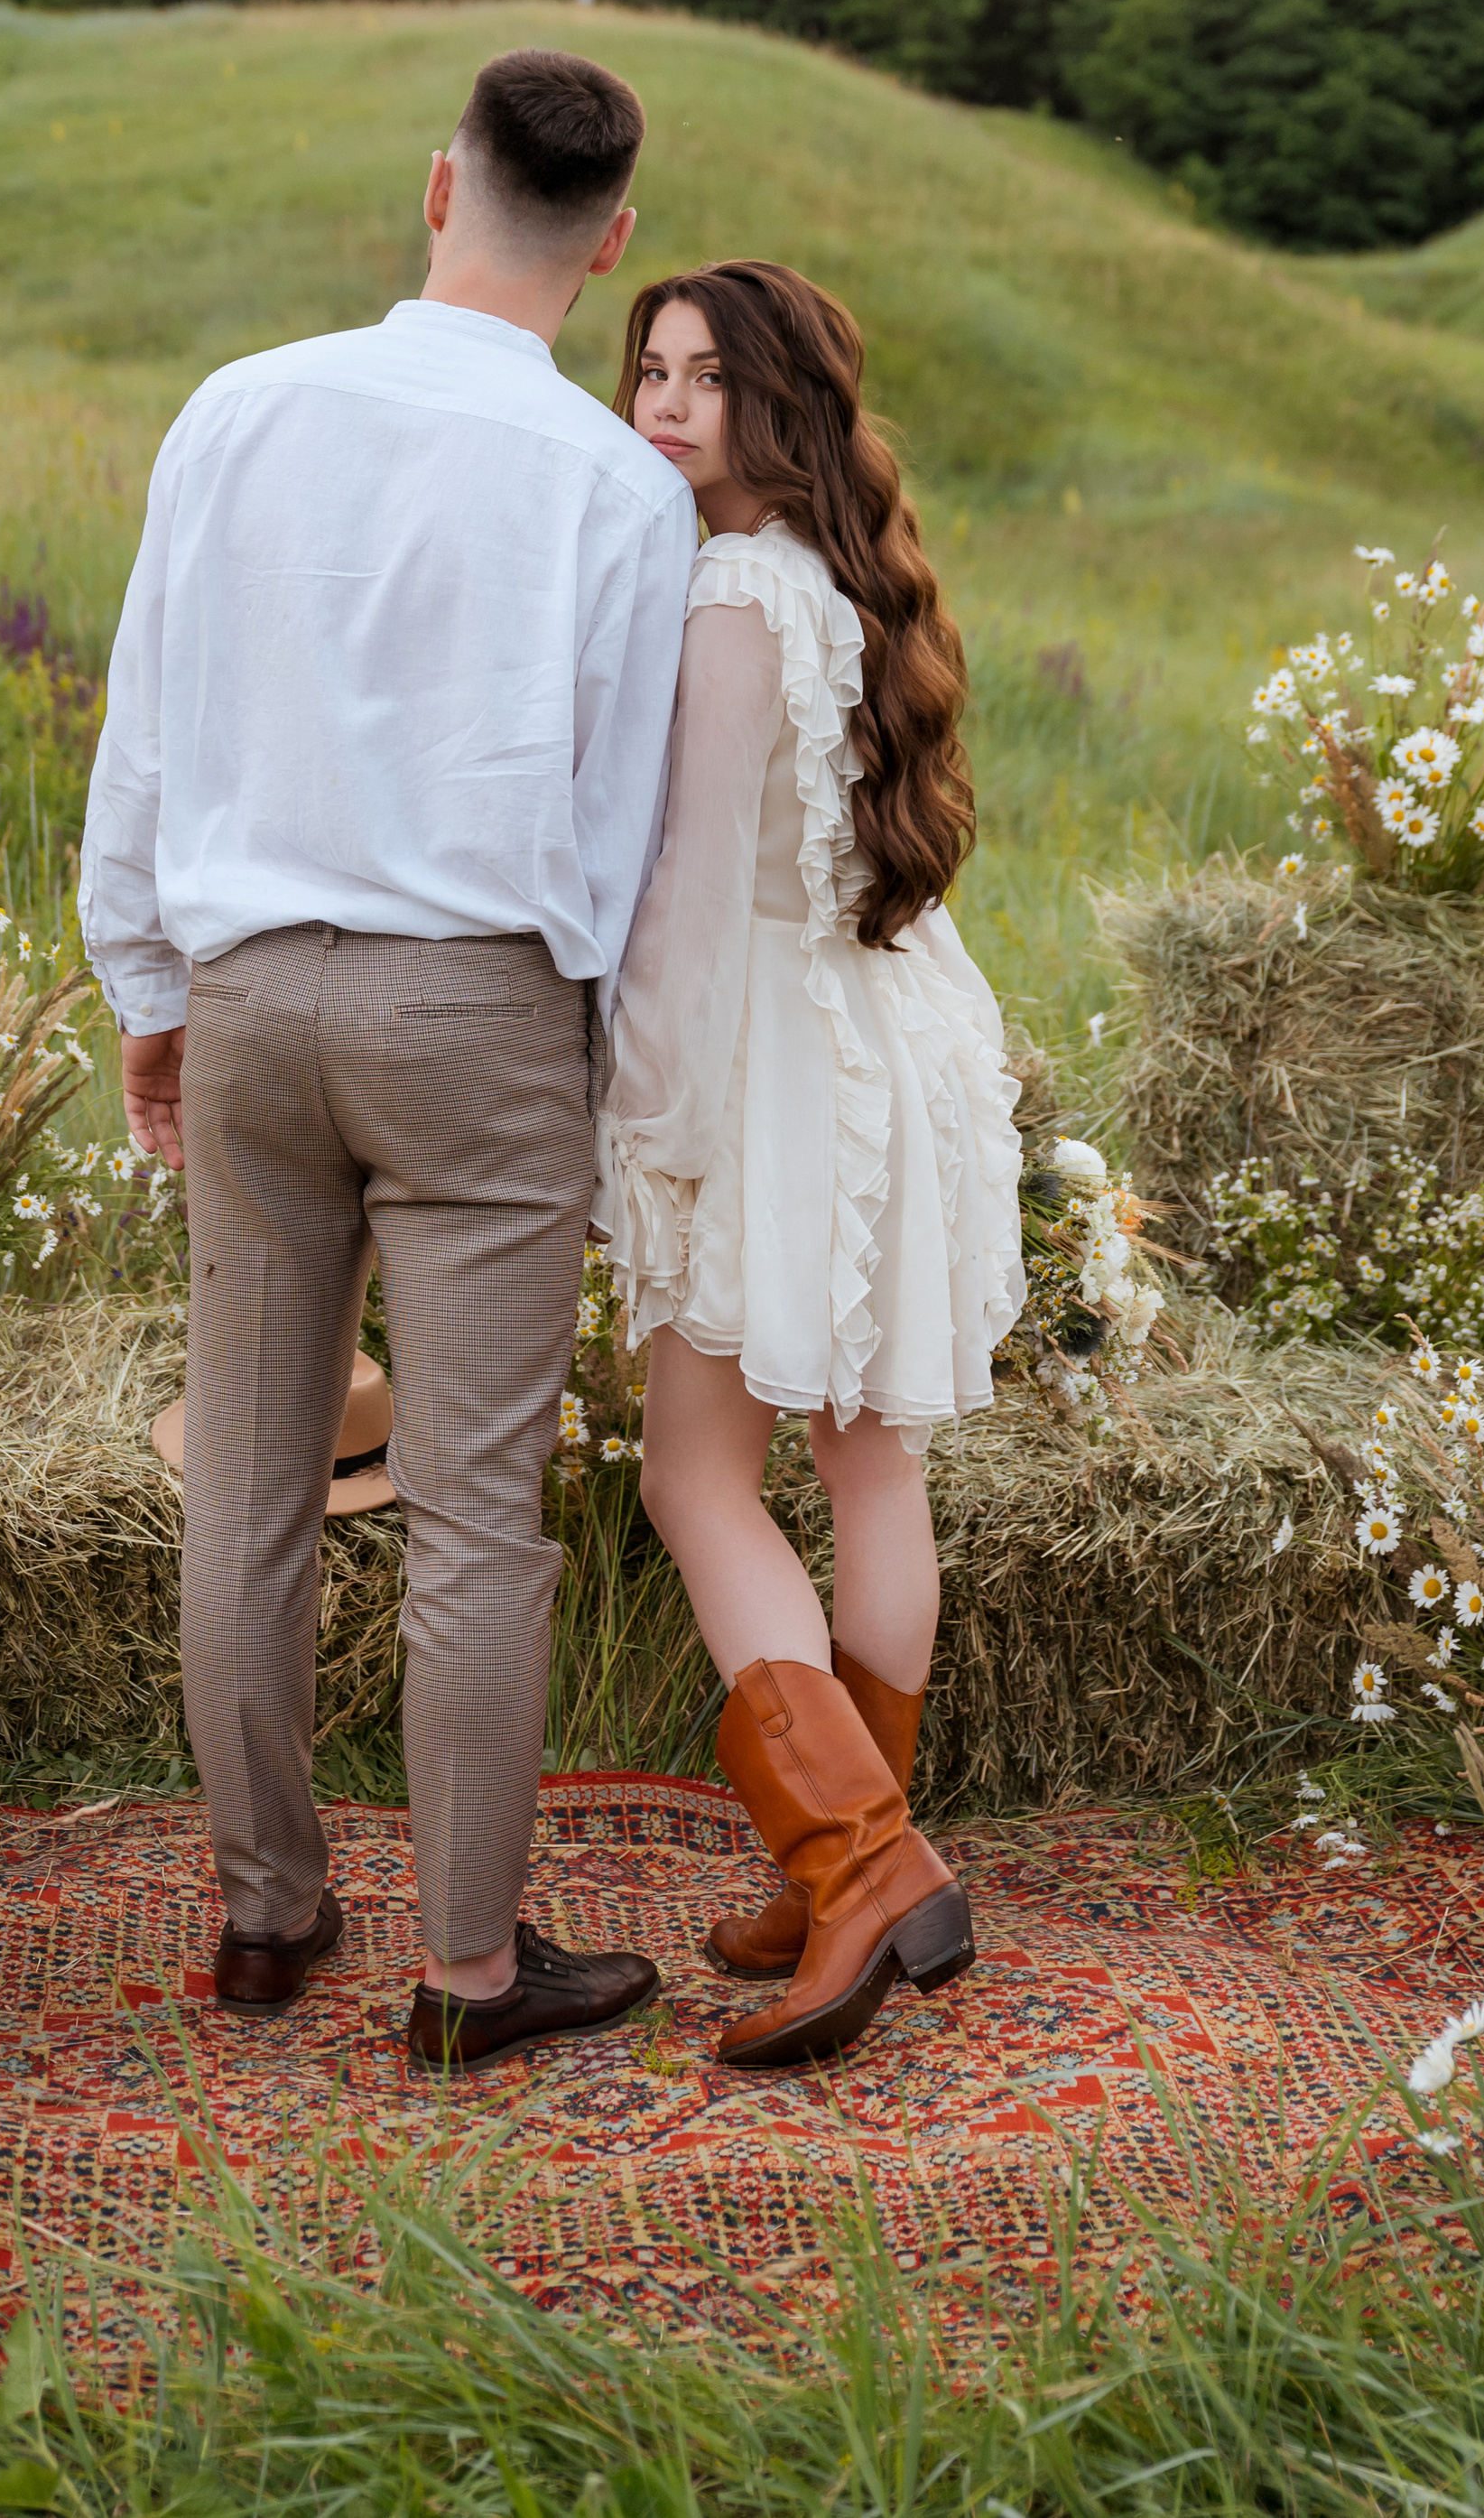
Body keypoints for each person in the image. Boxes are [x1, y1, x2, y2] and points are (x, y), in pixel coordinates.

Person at [79, 47, 694, 2073]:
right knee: (470, 1510)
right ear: (608, 246)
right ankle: (461, 1970)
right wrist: (583, 1055)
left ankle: (265, 1915)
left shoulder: (236, 410)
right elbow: (613, 822)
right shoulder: (616, 485)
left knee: (247, 1486)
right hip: (480, 1013)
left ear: (438, 186)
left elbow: (145, 724)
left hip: (251, 1000)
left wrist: (151, 993)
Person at [594, 260, 1025, 2072]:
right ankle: (844, 1848)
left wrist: (637, 1110)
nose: (667, 404)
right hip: (898, 1033)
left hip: (778, 1055)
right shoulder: (855, 583)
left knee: (692, 1472)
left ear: (782, 408)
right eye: (650, 369)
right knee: (868, 1466)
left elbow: (688, 908)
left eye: (708, 378)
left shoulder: (721, 595)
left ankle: (854, 1860)